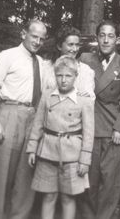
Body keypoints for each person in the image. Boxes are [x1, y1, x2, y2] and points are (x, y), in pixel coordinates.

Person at [0, 19, 47, 219]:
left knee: (26, 175)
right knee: (3, 174)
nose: (37, 42)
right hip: (9, 114)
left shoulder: (41, 63)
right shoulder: (7, 56)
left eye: (41, 39)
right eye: (34, 36)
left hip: (33, 117)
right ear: (24, 34)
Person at [79, 21, 120, 219]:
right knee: (88, 180)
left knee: (110, 182)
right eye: (102, 35)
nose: (105, 39)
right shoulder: (85, 59)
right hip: (88, 128)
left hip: (113, 130)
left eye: (110, 35)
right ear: (97, 38)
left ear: (117, 39)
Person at [26, 55, 95, 219]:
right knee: (48, 196)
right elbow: (38, 123)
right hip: (47, 152)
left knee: (68, 197)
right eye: (60, 75)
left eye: (68, 76)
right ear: (55, 75)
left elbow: (89, 133)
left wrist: (85, 159)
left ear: (75, 77)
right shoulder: (48, 96)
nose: (63, 80)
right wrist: (32, 149)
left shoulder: (84, 100)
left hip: (72, 156)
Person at [42, 26, 95, 97]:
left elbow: (90, 98)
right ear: (59, 46)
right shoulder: (47, 67)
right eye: (71, 44)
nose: (75, 49)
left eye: (77, 45)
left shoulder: (85, 71)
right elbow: (41, 95)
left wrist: (87, 96)